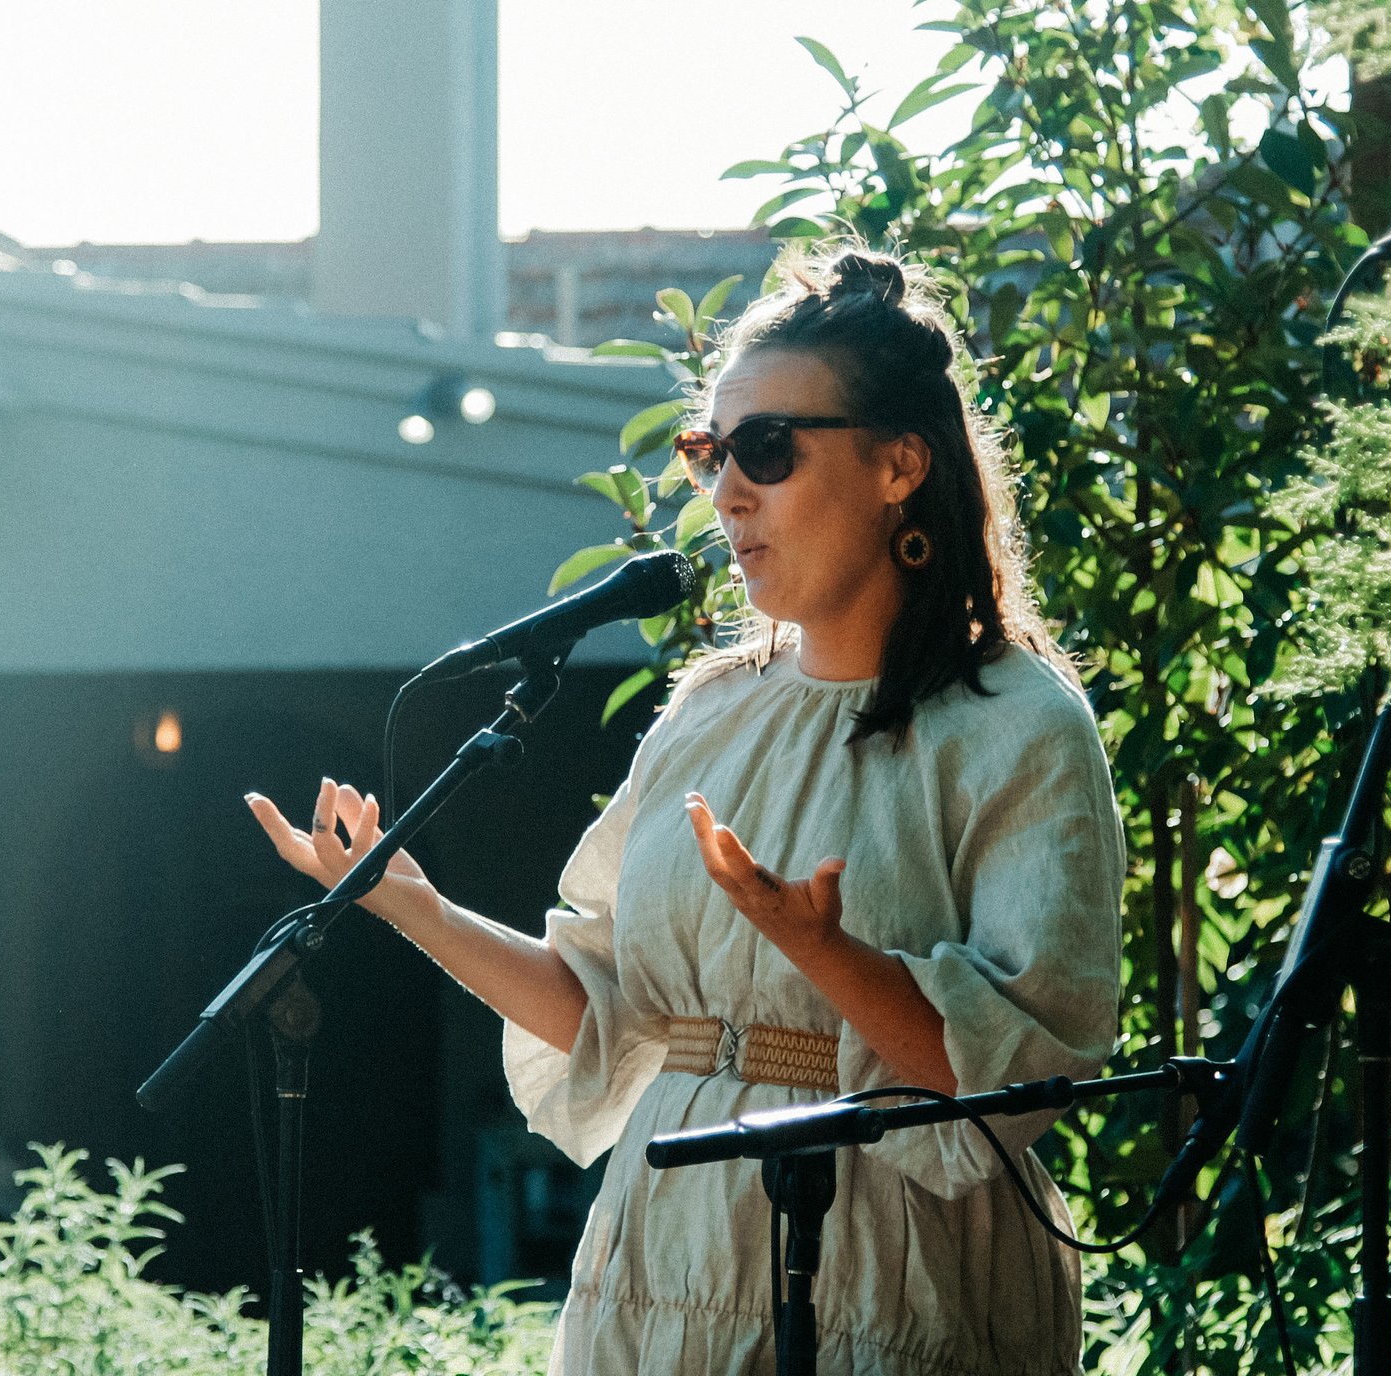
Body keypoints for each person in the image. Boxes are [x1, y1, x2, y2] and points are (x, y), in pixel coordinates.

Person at [244, 246, 1123, 1375]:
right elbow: (608, 1005)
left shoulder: (1013, 718)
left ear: (901, 463)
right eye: (711, 452)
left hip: (883, 1260)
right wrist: (414, 906)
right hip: (666, 1245)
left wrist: (825, 950)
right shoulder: (710, 710)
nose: (725, 492)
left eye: (767, 448)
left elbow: (1011, 1077)